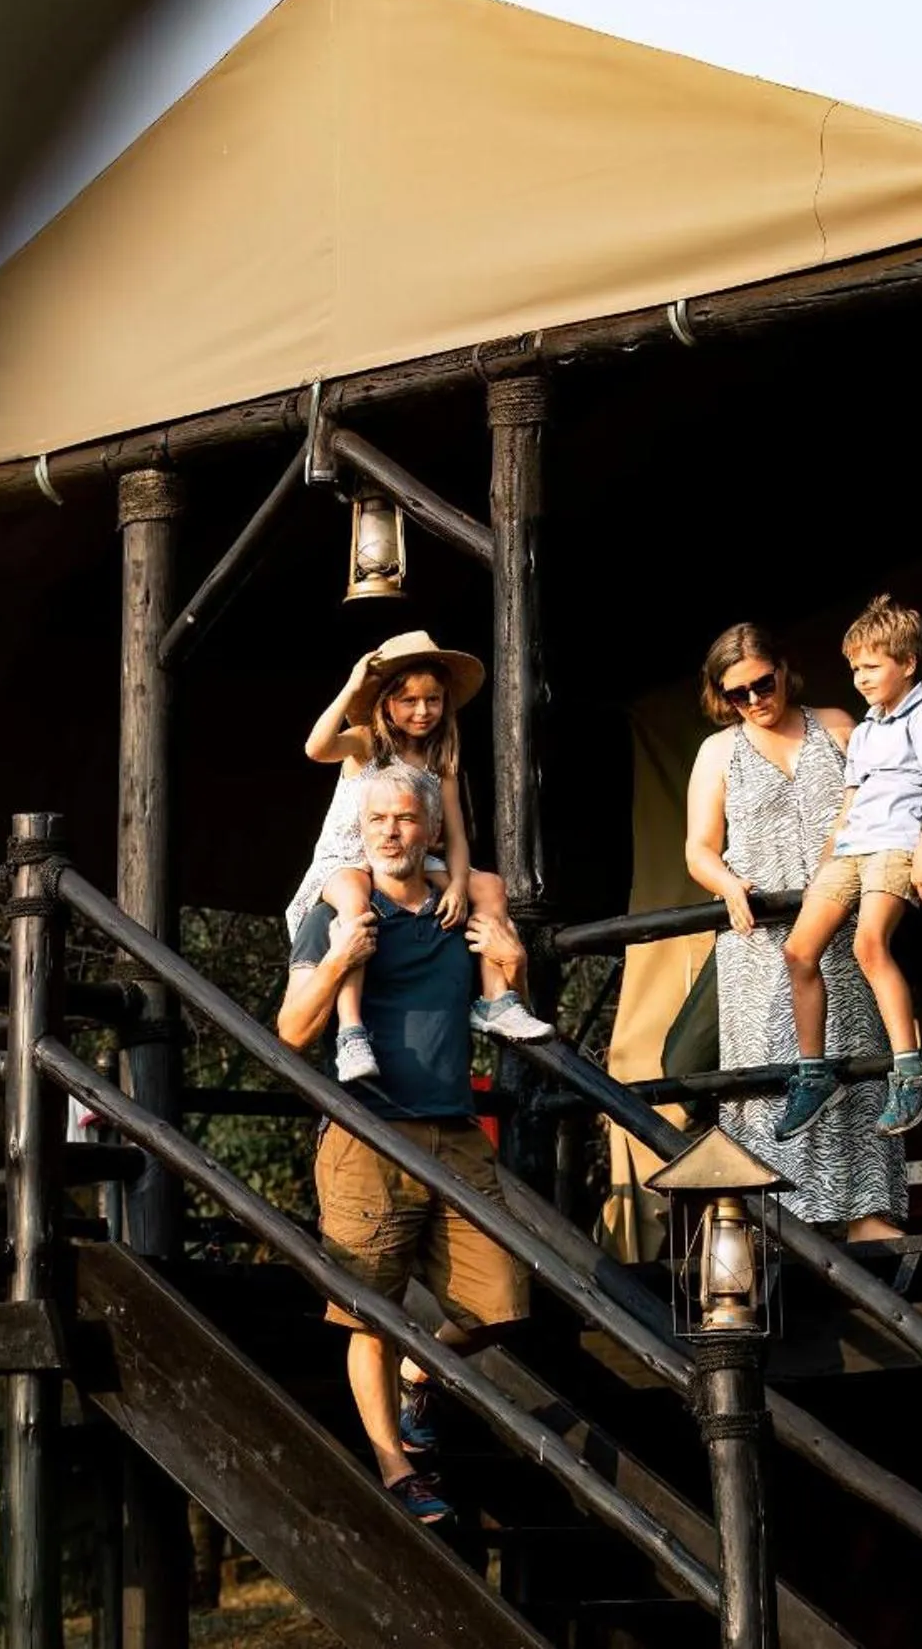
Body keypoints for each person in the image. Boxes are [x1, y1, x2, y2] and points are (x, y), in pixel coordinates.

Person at [276, 759, 532, 1524]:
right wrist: (339, 962)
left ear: (430, 829)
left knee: (504, 1297)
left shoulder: (456, 912)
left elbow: (504, 1002)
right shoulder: (339, 912)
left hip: (453, 1129)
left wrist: (514, 964)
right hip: (364, 1133)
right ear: (363, 827)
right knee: (366, 1310)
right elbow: (291, 1032)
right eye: (378, 819)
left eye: (406, 819)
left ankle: (423, 1369)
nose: (391, 831)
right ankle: (395, 1464)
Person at [683, 622, 906, 1240]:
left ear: (783, 669)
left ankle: (867, 1215)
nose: (755, 699)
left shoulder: (838, 726)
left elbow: (890, 801)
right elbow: (698, 849)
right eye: (737, 693)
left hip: (840, 927)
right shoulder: (718, 753)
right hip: (759, 944)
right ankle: (770, 1227)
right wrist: (728, 885)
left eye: (762, 682)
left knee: (854, 1067)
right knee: (768, 1080)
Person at [286, 629, 549, 1083]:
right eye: (409, 700)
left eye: (433, 700)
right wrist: (352, 685)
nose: (423, 711)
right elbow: (316, 748)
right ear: (387, 703)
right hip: (348, 858)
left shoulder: (439, 761)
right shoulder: (367, 741)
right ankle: (351, 1031)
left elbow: (458, 836)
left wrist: (462, 886)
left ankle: (495, 1000)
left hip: (411, 853)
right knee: (353, 903)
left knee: (492, 886)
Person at [779, 596, 922, 1140]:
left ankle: (910, 1071)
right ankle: (813, 1072)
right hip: (854, 847)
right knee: (799, 949)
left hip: (897, 845)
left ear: (907, 664)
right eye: (855, 668)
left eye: (872, 666)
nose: (860, 678)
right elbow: (849, 800)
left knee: (868, 945)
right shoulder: (863, 731)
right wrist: (828, 858)